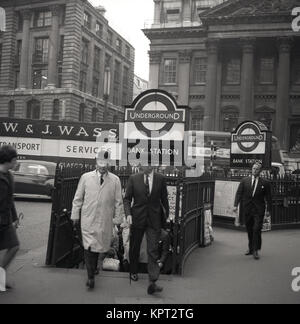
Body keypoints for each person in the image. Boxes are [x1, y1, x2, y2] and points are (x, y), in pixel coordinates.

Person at [71, 153, 124, 289]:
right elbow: (78, 198)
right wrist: (75, 215)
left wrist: (117, 219)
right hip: (88, 218)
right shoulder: (86, 177)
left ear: (108, 165)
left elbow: (119, 202)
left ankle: (93, 268)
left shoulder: (115, 180)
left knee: (99, 246)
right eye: (100, 165)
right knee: (89, 246)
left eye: (105, 166)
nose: (102, 168)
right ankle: (90, 277)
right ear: (96, 164)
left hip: (104, 219)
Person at [124, 165, 169, 295]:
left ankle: (152, 281)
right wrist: (128, 215)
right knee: (135, 247)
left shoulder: (160, 179)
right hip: (137, 218)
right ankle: (133, 271)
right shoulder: (134, 178)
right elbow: (127, 199)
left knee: (152, 249)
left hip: (154, 219)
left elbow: (164, 199)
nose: (147, 165)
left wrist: (166, 217)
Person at [234, 162, 272, 260]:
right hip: (247, 209)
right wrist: (235, 205)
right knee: (250, 230)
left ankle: (255, 250)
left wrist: (268, 210)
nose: (255, 170)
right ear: (252, 169)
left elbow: (269, 197)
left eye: (257, 169)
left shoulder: (265, 183)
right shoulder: (244, 181)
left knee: (256, 229)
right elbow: (239, 193)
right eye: (253, 168)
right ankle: (251, 248)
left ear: (260, 171)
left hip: (259, 210)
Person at [0, 145, 20, 290]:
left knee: (14, 246)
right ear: (9, 160)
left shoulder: (9, 175)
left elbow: (9, 198)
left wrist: (14, 217)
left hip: (5, 220)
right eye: (15, 159)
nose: (16, 161)